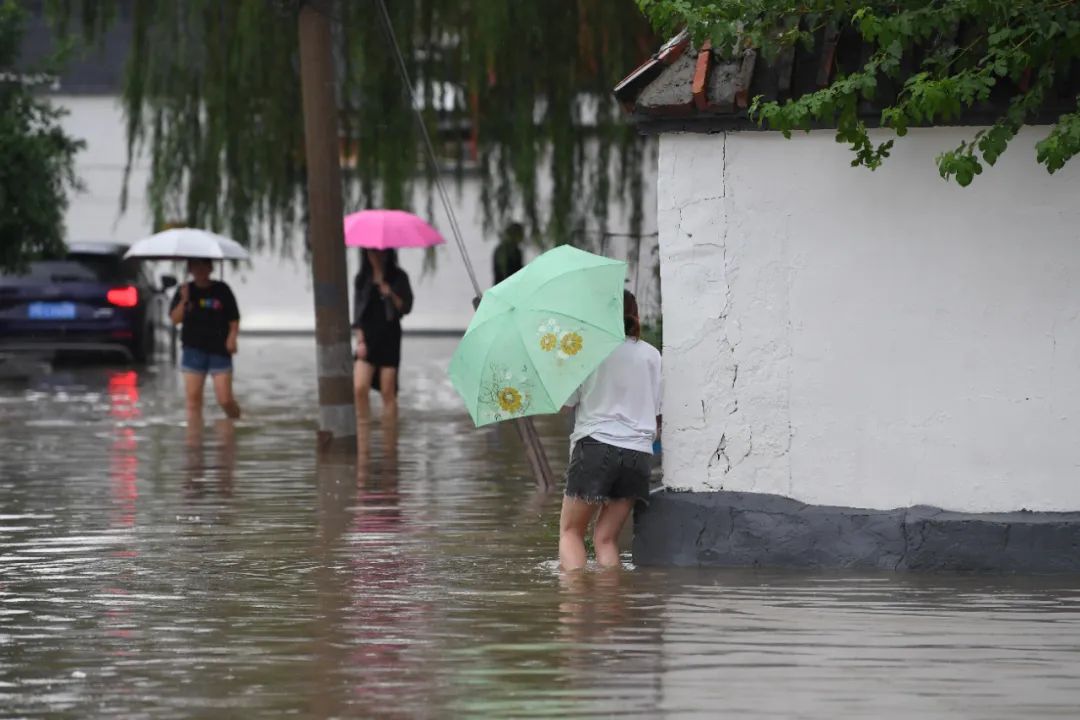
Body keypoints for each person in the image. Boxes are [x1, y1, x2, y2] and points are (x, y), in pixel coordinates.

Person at [559, 290, 661, 571]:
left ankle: (573, 610)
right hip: (638, 455)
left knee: (571, 533)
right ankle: (611, 606)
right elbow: (658, 408)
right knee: (606, 541)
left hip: (595, 448)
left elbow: (566, 405)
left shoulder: (586, 351)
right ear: (634, 313)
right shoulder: (652, 355)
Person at [169, 258, 241, 420]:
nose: (200, 270)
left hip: (219, 349)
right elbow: (175, 319)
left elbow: (234, 318)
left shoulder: (222, 290)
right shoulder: (184, 290)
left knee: (225, 400)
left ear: (210, 268)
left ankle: (235, 421)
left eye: (204, 265)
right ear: (190, 269)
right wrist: (184, 300)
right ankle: (194, 442)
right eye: (195, 266)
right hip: (193, 349)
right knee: (193, 401)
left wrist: (232, 337)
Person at [353, 248, 413, 421]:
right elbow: (357, 315)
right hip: (368, 338)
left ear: (389, 253)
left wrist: (391, 294)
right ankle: (363, 430)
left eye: (382, 252)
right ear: (366, 254)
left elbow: (406, 308)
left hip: (390, 337)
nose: (378, 256)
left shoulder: (399, 277)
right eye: (373, 252)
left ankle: (389, 439)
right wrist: (360, 341)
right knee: (359, 387)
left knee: (388, 391)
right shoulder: (362, 279)